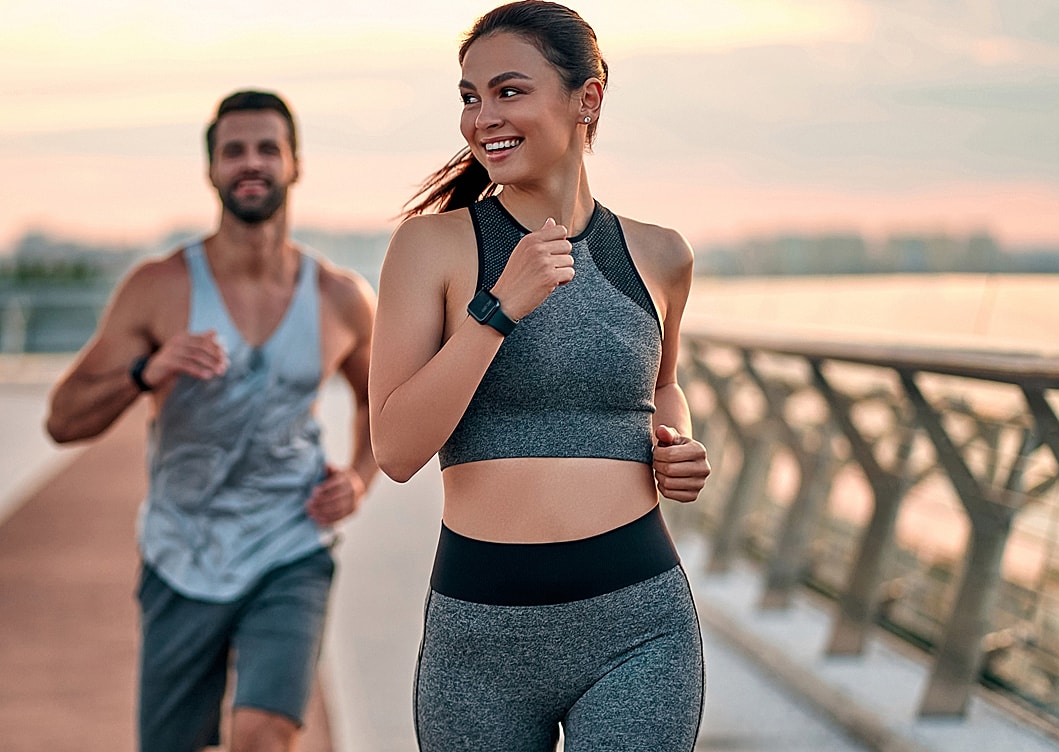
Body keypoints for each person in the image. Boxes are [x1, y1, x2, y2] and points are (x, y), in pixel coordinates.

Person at [368, 2, 711, 749]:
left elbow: (659, 387)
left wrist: (676, 441)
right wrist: (498, 309)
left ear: (585, 98)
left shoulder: (661, 254)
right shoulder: (432, 247)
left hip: (639, 625)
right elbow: (395, 450)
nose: (482, 116)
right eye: (469, 96)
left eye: (508, 90)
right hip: (478, 639)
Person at [44, 89, 378, 752]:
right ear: (212, 170)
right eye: (233, 151)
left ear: (294, 164)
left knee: (263, 734)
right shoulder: (159, 288)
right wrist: (149, 370)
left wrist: (361, 476)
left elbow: (378, 400)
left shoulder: (340, 298)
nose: (249, 163)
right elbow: (63, 420)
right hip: (181, 553)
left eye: (265, 149)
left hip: (291, 545)